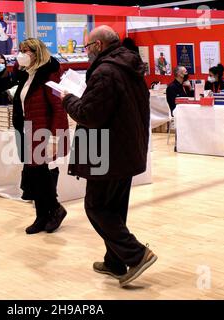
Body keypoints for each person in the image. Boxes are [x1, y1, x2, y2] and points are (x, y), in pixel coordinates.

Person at [61, 25, 157, 287]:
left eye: (87, 47)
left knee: (96, 207)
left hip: (107, 152)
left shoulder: (104, 72)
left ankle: (136, 255)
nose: (86, 52)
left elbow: (89, 115)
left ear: (98, 46)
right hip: (126, 148)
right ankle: (114, 261)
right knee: (114, 208)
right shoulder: (129, 67)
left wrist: (68, 99)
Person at [12, 38, 69, 235]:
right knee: (33, 174)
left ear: (37, 52)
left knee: (40, 173)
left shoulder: (49, 73)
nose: (21, 54)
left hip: (44, 132)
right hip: (29, 130)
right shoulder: (27, 74)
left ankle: (54, 209)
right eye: (20, 50)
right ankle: (42, 215)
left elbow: (58, 108)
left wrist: (55, 138)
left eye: (25, 50)